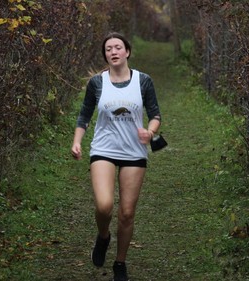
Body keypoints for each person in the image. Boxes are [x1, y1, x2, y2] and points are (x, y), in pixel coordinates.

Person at [71, 32, 162, 281]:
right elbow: (84, 115)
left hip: (134, 152)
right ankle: (103, 237)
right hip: (104, 149)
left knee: (127, 213)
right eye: (108, 48)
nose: (113, 51)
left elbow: (155, 115)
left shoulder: (143, 81)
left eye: (118, 47)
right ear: (106, 55)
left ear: (127, 52)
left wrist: (150, 131)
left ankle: (120, 262)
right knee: (105, 205)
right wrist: (77, 141)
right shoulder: (97, 83)